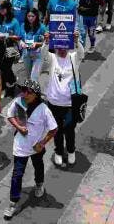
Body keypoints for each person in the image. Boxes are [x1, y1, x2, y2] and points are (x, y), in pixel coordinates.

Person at [3, 79, 58, 219]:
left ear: (35, 94)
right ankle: (13, 202)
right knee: (17, 174)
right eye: (23, 90)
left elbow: (54, 129)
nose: (24, 94)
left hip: (36, 148)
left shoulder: (44, 109)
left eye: (28, 92)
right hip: (20, 147)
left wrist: (43, 143)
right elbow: (10, 115)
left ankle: (39, 184)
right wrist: (19, 127)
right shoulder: (18, 101)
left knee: (38, 166)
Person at [44, 29, 83, 167]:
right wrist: (46, 41)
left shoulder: (73, 58)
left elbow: (81, 54)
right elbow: (43, 55)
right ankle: (59, 152)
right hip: (54, 102)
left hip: (70, 103)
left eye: (64, 46)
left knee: (69, 129)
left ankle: (71, 151)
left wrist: (77, 40)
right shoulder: (52, 58)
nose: (61, 49)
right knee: (57, 130)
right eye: (58, 47)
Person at [21, 9, 47, 84]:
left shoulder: (42, 27)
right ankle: (30, 93)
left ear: (36, 17)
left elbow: (47, 42)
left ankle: (36, 94)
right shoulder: (23, 25)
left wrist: (37, 44)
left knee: (34, 76)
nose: (30, 18)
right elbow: (20, 39)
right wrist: (21, 43)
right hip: (26, 53)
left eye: (33, 16)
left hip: (37, 54)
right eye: (29, 16)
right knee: (28, 75)